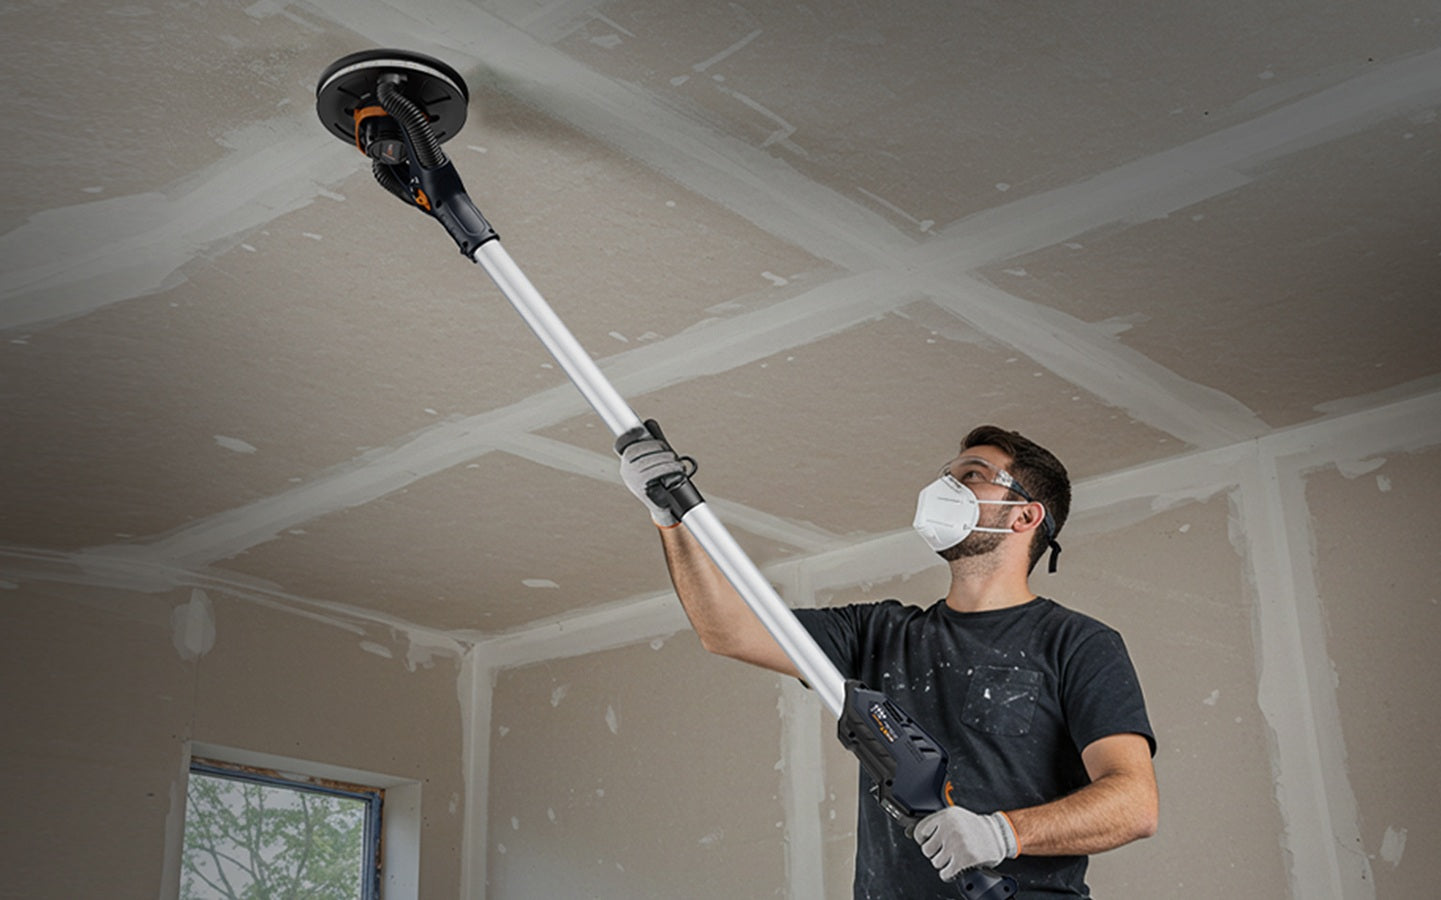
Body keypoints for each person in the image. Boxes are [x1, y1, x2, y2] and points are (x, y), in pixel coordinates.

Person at [620, 424, 1158, 898]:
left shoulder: (1077, 643)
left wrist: (1002, 832)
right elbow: (728, 629)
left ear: (1025, 516)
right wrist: (671, 519)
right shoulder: (877, 633)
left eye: (972, 475)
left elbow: (1134, 803)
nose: (946, 488)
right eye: (946, 474)